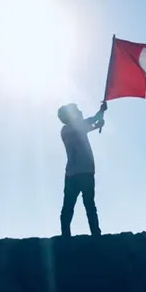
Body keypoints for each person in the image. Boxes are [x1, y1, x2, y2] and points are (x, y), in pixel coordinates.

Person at [57, 101, 108, 237]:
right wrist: (100, 113)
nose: (80, 112)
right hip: (76, 174)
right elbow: (88, 123)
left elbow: (87, 126)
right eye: (77, 111)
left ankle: (95, 234)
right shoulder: (67, 129)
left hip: (82, 173)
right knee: (70, 207)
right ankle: (66, 236)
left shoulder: (75, 128)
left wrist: (97, 123)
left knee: (89, 206)